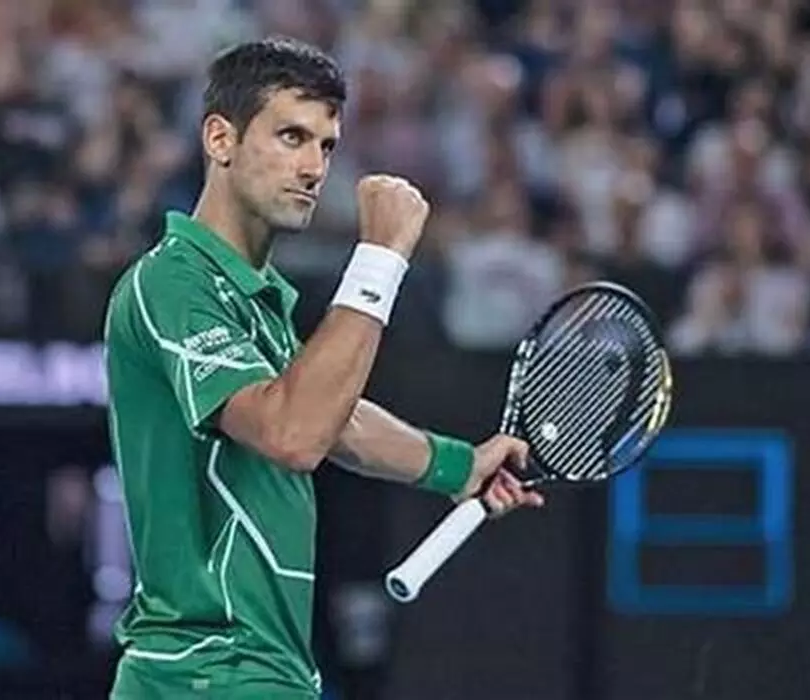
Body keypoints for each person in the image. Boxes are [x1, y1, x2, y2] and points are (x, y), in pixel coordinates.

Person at [103, 36, 545, 699]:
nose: (314, 167)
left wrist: (458, 466)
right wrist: (380, 260)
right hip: (208, 674)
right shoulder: (172, 282)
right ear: (220, 139)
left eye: (327, 145)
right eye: (291, 137)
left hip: (246, 672)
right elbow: (294, 433)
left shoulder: (254, 300)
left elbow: (337, 419)